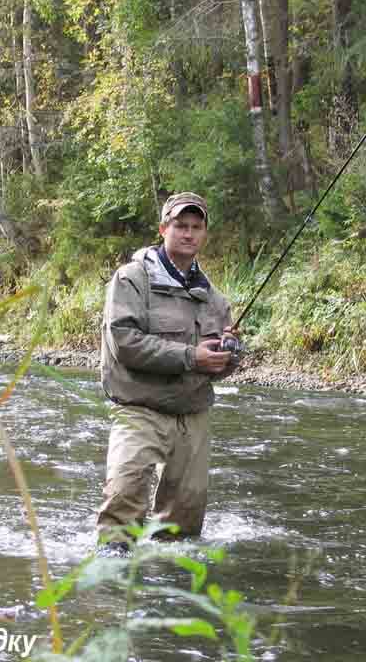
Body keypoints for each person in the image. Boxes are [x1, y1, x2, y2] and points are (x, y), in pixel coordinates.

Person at [96, 192, 239, 553]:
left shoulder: (215, 299)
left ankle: (172, 577)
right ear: (163, 229)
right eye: (180, 226)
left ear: (204, 234)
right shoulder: (131, 280)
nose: (188, 234)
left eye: (196, 227)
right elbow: (124, 342)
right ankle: (111, 565)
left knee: (183, 527)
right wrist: (192, 357)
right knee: (124, 495)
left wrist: (229, 355)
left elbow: (219, 369)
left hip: (192, 414)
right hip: (139, 407)